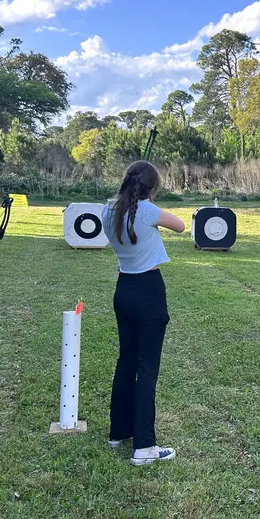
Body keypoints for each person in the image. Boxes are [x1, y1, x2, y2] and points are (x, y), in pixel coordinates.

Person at [101, 161, 186, 465]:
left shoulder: (108, 209)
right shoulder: (147, 211)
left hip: (124, 289)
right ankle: (145, 447)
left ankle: (119, 432)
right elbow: (180, 225)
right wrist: (149, 204)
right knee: (147, 368)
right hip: (148, 291)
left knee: (126, 362)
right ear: (151, 187)